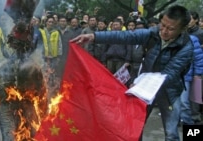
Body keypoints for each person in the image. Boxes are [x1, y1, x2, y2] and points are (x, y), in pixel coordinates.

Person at [71, 5, 193, 141]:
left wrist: (140, 84)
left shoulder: (186, 47)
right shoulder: (153, 33)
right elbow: (126, 36)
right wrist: (94, 36)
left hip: (169, 91)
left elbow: (169, 74)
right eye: (162, 25)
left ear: (182, 29)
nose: (164, 31)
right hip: (144, 90)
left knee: (171, 133)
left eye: (170, 29)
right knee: (135, 126)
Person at [0, 20, 48, 141]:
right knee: (10, 138)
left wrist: (45, 115)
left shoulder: (34, 69)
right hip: (6, 108)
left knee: (32, 135)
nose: (21, 54)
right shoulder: (1, 70)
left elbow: (41, 93)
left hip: (28, 106)